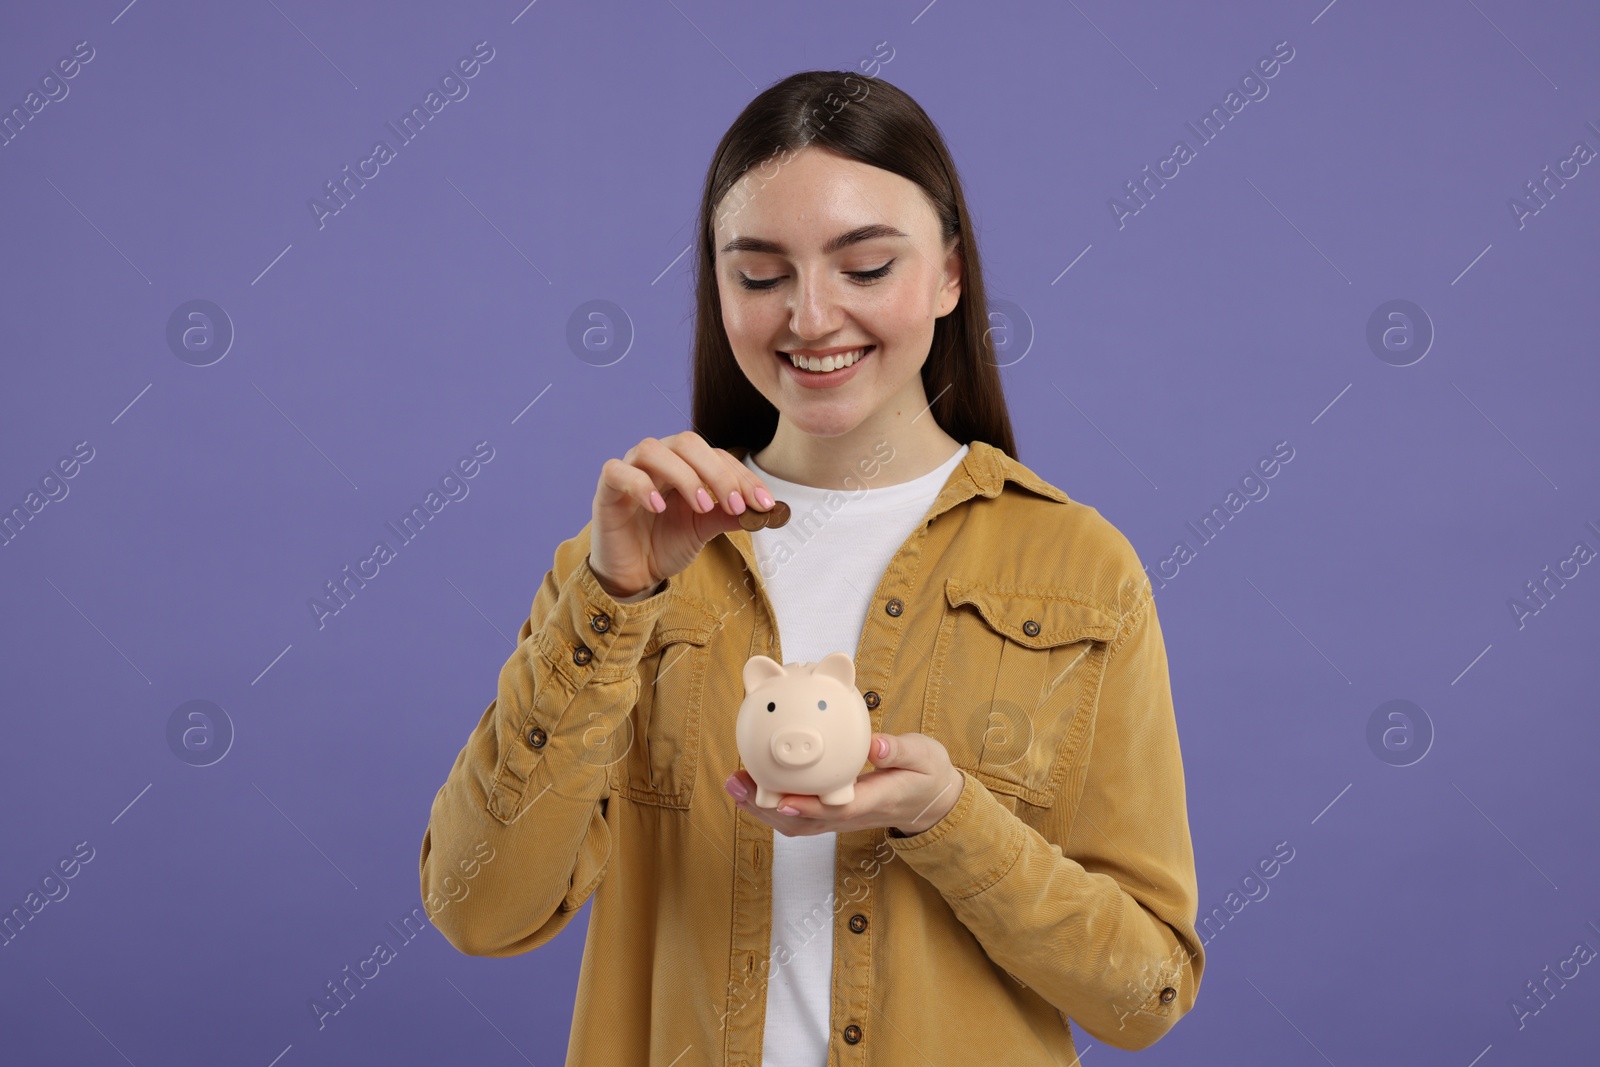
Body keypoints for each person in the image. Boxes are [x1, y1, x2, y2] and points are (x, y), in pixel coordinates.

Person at [419, 69, 1204, 1065]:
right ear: (717, 286)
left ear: (952, 275)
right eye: (759, 275)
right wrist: (615, 600)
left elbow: (1145, 992)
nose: (811, 316)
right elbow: (475, 906)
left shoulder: (1078, 567)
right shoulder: (627, 566)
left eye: (866, 267)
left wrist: (948, 817)